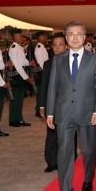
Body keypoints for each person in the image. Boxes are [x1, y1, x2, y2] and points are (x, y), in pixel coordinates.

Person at [46, 21, 96, 191]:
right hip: (64, 114)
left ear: (84, 36)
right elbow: (53, 87)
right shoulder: (58, 59)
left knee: (88, 151)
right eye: (71, 34)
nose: (74, 37)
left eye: (79, 34)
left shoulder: (95, 60)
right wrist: (49, 112)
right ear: (66, 37)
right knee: (65, 153)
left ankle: (88, 177)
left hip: (88, 113)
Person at [38, 32, 68, 172]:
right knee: (51, 134)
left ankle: (68, 160)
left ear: (66, 46)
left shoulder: (73, 62)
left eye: (60, 45)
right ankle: (51, 161)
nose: (57, 48)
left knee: (69, 135)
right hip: (53, 106)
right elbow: (43, 86)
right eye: (54, 45)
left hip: (69, 105)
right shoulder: (48, 64)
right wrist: (42, 105)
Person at [7, 28, 34, 127]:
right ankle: (14, 120)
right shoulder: (14, 48)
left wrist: (29, 63)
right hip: (18, 76)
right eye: (20, 36)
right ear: (14, 37)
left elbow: (22, 61)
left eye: (21, 36)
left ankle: (18, 119)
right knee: (16, 99)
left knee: (20, 99)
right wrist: (26, 78)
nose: (22, 37)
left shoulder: (19, 47)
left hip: (20, 75)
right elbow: (18, 65)